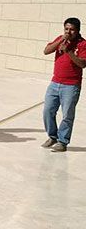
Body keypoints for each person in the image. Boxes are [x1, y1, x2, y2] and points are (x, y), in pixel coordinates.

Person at [42, 17, 86, 152]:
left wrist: (68, 51)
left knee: (67, 115)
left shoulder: (83, 44)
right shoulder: (61, 38)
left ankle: (62, 141)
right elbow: (46, 50)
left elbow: (83, 64)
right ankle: (52, 136)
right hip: (55, 82)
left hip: (71, 85)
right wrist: (61, 40)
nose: (68, 32)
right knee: (48, 111)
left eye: (72, 29)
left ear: (78, 30)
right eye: (66, 29)